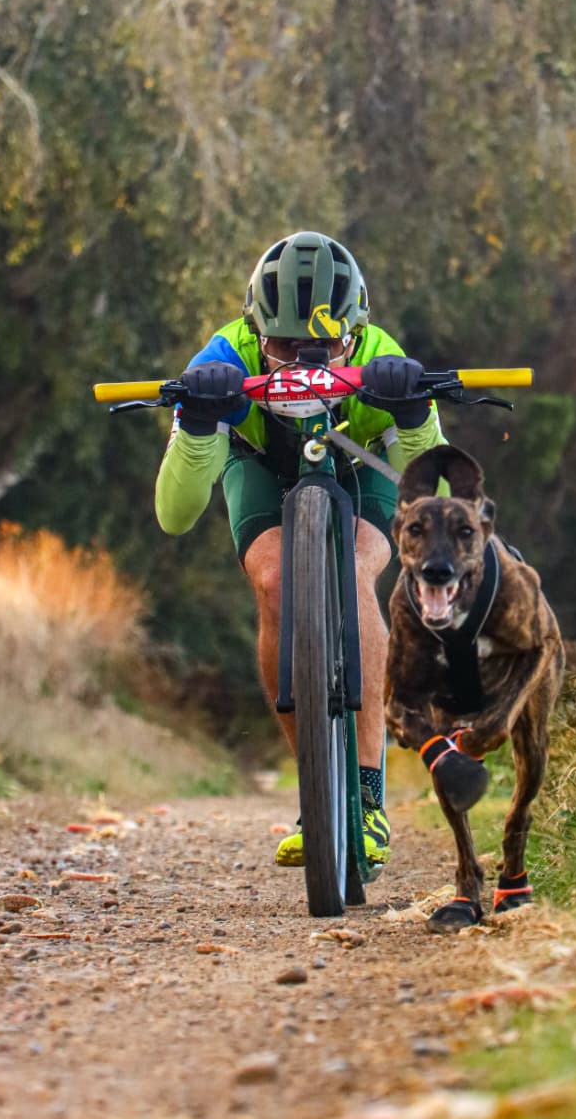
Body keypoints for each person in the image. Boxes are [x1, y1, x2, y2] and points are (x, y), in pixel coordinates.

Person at [155, 231, 445, 871]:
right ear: (255, 329)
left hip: (355, 459)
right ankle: (316, 786)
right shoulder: (222, 354)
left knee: (360, 568)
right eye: (287, 347)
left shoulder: (381, 352)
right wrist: (201, 421)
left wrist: (415, 415)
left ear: (358, 330)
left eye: (327, 347)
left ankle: (367, 799)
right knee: (273, 580)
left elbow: (435, 499)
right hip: (258, 459)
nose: (309, 365)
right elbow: (175, 516)